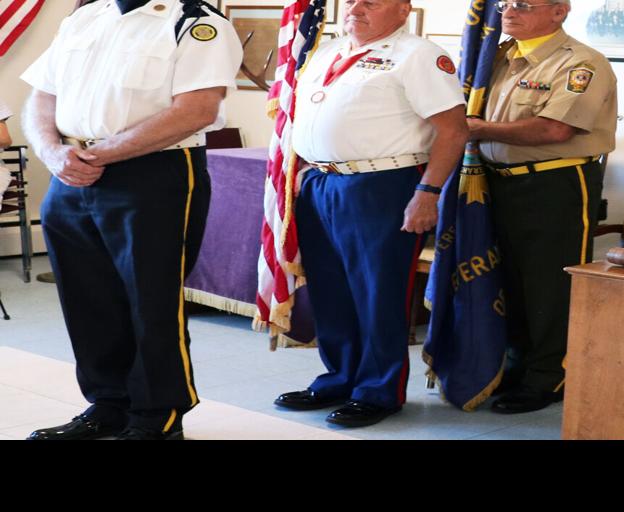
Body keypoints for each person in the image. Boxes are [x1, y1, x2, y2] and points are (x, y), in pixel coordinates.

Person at [20, 0, 241, 441]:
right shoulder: (86, 17)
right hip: (70, 169)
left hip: (152, 172)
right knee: (88, 300)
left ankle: (156, 416)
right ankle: (109, 404)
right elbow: (42, 95)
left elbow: (197, 110)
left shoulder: (194, 24)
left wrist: (99, 154)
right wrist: (50, 150)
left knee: (151, 301)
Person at [271, 0, 467, 428]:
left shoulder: (418, 55)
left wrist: (428, 192)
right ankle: (340, 376)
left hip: (382, 184)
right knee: (330, 289)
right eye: (353, 1)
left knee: (378, 291)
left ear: (402, 10)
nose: (356, 8)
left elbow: (453, 129)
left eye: (371, 2)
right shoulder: (328, 51)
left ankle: (379, 389)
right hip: (321, 183)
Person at [468, 0, 617, 414]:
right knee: (510, 279)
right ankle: (517, 367)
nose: (509, 11)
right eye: (506, 4)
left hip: (555, 183)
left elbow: (555, 128)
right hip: (496, 181)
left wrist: (478, 129)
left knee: (549, 284)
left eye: (524, 4)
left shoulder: (582, 62)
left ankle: (550, 376)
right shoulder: (493, 56)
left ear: (558, 11)